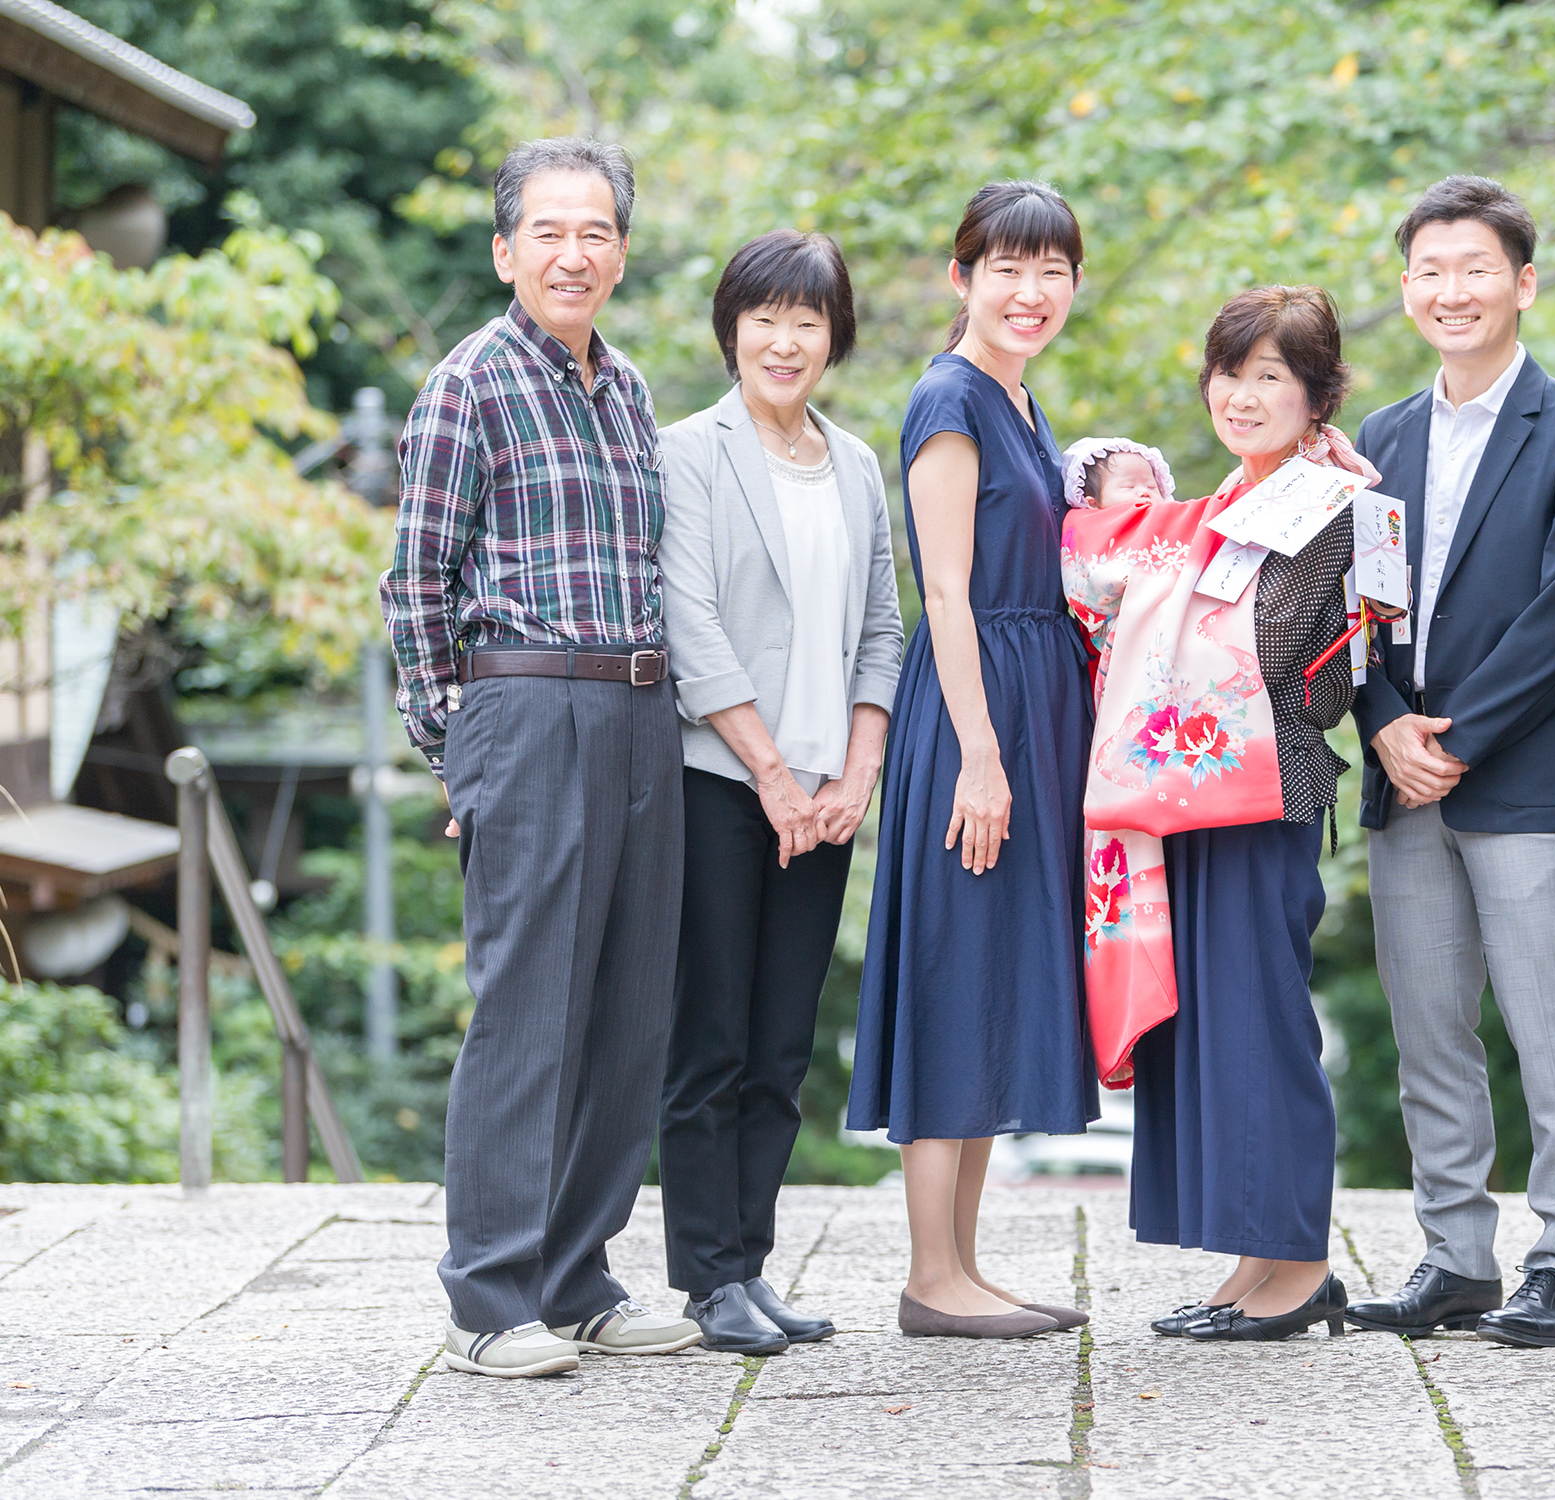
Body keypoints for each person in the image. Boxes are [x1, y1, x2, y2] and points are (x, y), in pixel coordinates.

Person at [380, 137, 700, 1378]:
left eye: (598, 232)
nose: (575, 254)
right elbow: (415, 581)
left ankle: (577, 1279)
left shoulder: (626, 390)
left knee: (628, 1005)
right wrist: (459, 752)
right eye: (550, 233)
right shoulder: (469, 382)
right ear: (506, 249)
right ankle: (491, 1298)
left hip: (636, 709)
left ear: (621, 250)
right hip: (525, 709)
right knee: (527, 1011)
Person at [1342, 176, 1555, 1349]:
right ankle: (1456, 1258)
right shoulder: (1378, 439)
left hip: (1515, 780)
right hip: (1398, 769)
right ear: (1406, 288)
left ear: (1522, 284)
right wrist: (1379, 720)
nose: (1450, 291)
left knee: (1547, 1023)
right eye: (1429, 271)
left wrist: (1446, 740)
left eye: (1474, 270)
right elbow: (1354, 609)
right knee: (1427, 1027)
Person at [1064, 286, 1366, 1343]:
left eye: (1271, 377)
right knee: (1212, 1030)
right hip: (1182, 795)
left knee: (1262, 1023)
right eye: (1229, 374)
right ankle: (1257, 1255)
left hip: (1260, 789)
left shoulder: (1328, 504)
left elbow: (1283, 650)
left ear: (1316, 396)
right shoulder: (1227, 505)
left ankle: (1299, 1262)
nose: (1243, 396)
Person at [846, 181, 1099, 1339]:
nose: (1030, 292)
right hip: (974, 718)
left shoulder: (1023, 397)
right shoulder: (949, 395)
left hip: (1032, 709)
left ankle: (960, 1267)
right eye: (1007, 267)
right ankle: (927, 1275)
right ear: (963, 279)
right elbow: (944, 591)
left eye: (1051, 271)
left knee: (995, 971)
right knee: (957, 974)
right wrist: (982, 758)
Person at [654, 230, 903, 1355]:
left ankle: (749, 1265)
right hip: (722, 782)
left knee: (783, 1042)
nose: (785, 339)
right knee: (711, 1033)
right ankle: (705, 1277)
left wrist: (855, 771)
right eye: (765, 317)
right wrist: (768, 772)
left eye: (808, 320)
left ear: (834, 336)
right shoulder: (688, 454)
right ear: (732, 328)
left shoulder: (854, 464)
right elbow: (689, 624)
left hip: (825, 797)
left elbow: (881, 631)